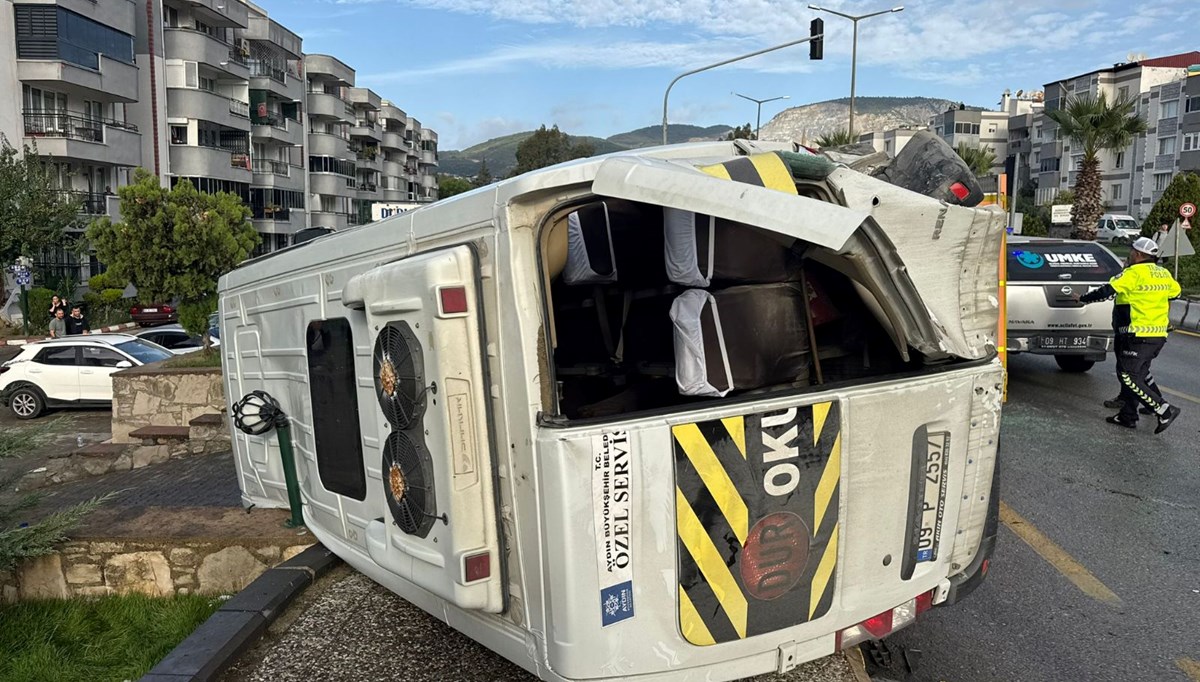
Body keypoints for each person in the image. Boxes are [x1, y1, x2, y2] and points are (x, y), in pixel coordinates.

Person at [1078, 237, 1181, 433]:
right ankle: (1128, 416)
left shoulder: (1132, 273)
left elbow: (1107, 290)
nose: (1130, 255)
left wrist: (1082, 299)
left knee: (1128, 376)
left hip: (1137, 333)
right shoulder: (1163, 273)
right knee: (1139, 374)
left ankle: (1164, 409)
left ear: (1138, 254)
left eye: (1132, 251)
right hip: (1157, 335)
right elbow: (1175, 293)